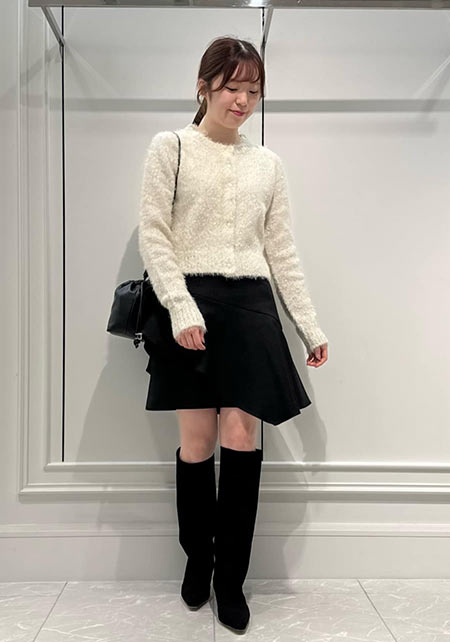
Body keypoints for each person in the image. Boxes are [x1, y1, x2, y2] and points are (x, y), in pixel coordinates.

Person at [138, 36, 328, 633]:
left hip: (249, 308)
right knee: (197, 443)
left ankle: (231, 578)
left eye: (253, 90)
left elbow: (281, 251)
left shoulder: (267, 164)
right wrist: (180, 307)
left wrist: (309, 325)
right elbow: (154, 234)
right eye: (232, 87)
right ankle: (199, 559)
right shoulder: (170, 147)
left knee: (241, 437)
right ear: (204, 87)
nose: (242, 100)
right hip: (189, 305)